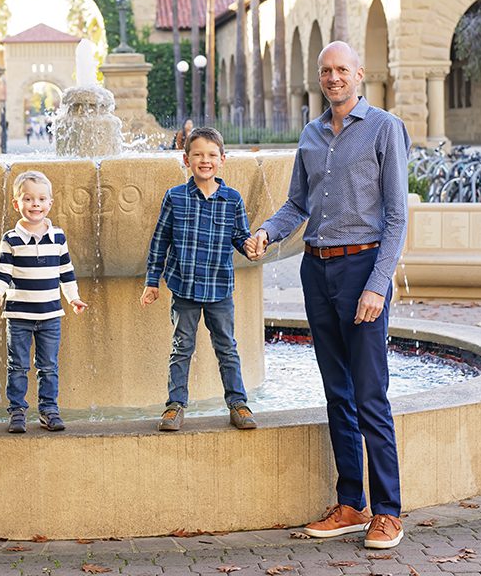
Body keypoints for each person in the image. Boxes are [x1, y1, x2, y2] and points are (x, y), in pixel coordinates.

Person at [245, 41, 410, 550]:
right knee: (336, 393)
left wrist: (378, 285)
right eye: (326, 71)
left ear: (359, 74)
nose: (334, 77)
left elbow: (398, 215)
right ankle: (351, 503)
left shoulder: (384, 128)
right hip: (316, 273)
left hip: (362, 268)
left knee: (370, 395)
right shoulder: (312, 135)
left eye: (342, 69)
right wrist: (268, 233)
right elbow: (298, 203)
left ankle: (387, 511)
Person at [141, 126, 257, 432]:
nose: (205, 160)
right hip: (184, 288)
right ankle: (175, 405)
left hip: (219, 289)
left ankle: (238, 403)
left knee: (227, 348)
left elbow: (241, 237)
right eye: (198, 155)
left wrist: (251, 247)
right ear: (186, 159)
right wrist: (152, 282)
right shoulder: (175, 197)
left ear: (222, 160)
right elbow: (160, 241)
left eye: (211, 155)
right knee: (182, 347)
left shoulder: (232, 199)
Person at [0, 170, 87, 433]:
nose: (35, 205)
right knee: (17, 365)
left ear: (50, 203)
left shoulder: (59, 237)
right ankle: (17, 410)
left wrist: (73, 298)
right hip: (19, 316)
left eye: (41, 199)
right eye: (28, 199)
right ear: (16, 203)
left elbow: (66, 272)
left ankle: (48, 409)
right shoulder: (11, 239)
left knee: (49, 366)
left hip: (51, 315)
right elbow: (3, 273)